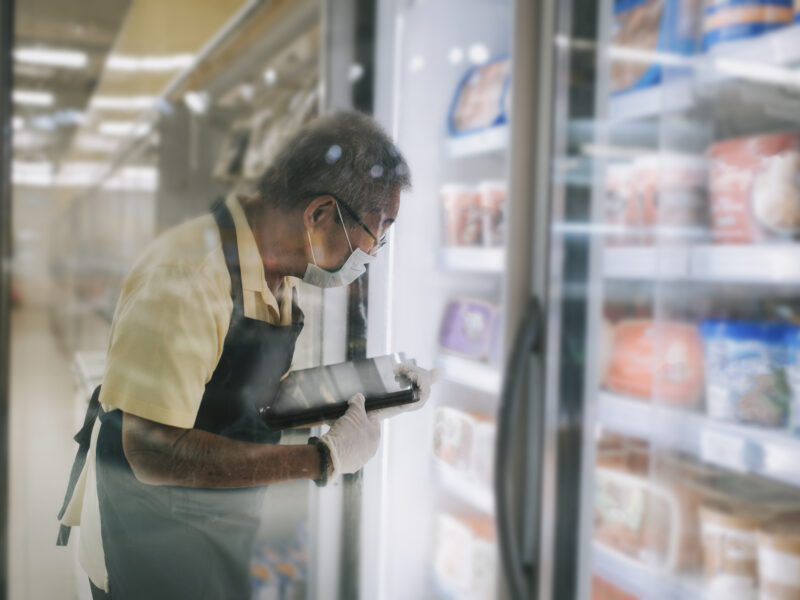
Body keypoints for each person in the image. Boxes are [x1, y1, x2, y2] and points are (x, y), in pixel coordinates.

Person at [56, 110, 437, 600]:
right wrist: (322, 458)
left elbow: (244, 392)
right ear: (320, 214)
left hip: (207, 523)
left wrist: (372, 391)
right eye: (377, 230)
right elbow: (151, 450)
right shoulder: (189, 277)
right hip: (145, 537)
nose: (376, 251)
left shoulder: (271, 267)